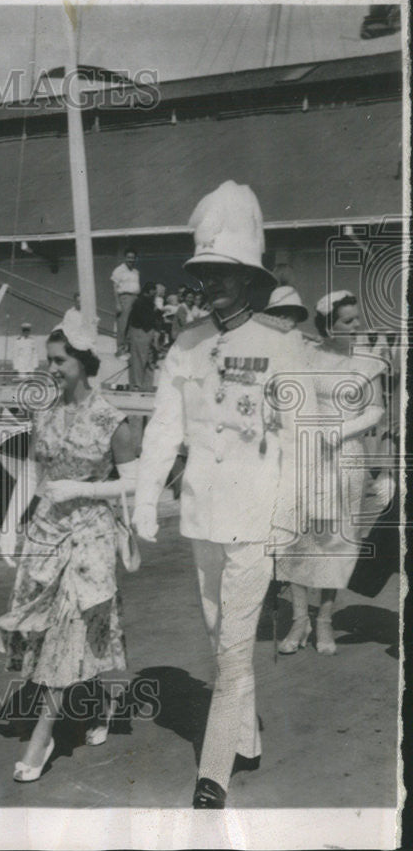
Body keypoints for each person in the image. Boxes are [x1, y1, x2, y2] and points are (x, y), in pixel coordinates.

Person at [132, 180, 306, 809]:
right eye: (206, 272)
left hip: (256, 515)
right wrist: (146, 498)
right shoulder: (186, 345)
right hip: (204, 510)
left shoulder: (282, 346)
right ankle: (246, 742)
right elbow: (163, 428)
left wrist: (288, 521)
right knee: (217, 632)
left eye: (226, 274)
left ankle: (214, 771)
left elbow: (299, 444)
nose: (214, 284)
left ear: (251, 280)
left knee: (234, 644)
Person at [0, 315, 138, 782]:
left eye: (59, 360)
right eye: (49, 360)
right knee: (53, 632)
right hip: (45, 534)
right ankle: (95, 705)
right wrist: (9, 526)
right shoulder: (46, 414)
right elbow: (34, 477)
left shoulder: (112, 419)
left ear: (83, 361)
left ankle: (43, 736)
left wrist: (81, 488)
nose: (51, 368)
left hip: (88, 537)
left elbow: (133, 484)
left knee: (69, 628)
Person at [274, 291, 385, 656]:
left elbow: (375, 412)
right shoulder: (306, 355)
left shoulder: (368, 362)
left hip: (346, 456)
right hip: (305, 455)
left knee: (336, 542)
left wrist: (338, 431)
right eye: (348, 321)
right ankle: (298, 621)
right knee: (299, 539)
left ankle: (324, 622)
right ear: (328, 325)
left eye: (357, 319)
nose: (357, 327)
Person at [126, 281, 159, 390]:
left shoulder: (150, 303)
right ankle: (137, 386)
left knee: (150, 360)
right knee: (139, 360)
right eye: (154, 291)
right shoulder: (140, 302)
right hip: (140, 332)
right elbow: (143, 319)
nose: (155, 293)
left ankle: (146, 386)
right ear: (149, 291)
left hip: (148, 333)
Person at [110, 249, 140, 356]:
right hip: (124, 298)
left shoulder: (136, 272)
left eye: (133, 257)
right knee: (123, 324)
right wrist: (118, 303)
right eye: (129, 257)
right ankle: (120, 348)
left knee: (132, 324)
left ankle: (128, 348)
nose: (131, 260)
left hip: (135, 298)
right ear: (125, 258)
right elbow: (115, 287)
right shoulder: (119, 270)